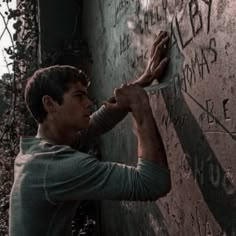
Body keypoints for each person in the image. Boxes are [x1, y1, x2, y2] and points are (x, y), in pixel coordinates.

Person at [9, 31, 171, 236]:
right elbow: (152, 183)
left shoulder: (35, 154)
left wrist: (143, 80)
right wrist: (138, 104)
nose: (89, 103)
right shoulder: (55, 167)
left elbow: (94, 125)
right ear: (50, 103)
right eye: (79, 96)